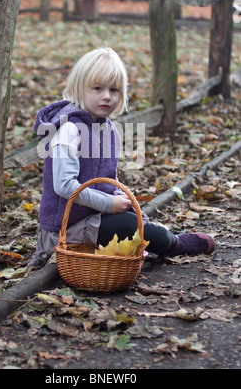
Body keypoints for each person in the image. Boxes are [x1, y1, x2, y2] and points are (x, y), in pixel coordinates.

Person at [27, 47, 215, 271]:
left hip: (94, 215)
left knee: (135, 217)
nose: (107, 96)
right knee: (130, 226)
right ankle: (175, 244)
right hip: (66, 228)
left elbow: (107, 180)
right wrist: (109, 204)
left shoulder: (108, 130)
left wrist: (119, 197)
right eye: (98, 88)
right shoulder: (69, 129)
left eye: (114, 90)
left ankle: (155, 239)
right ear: (80, 88)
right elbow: (64, 186)